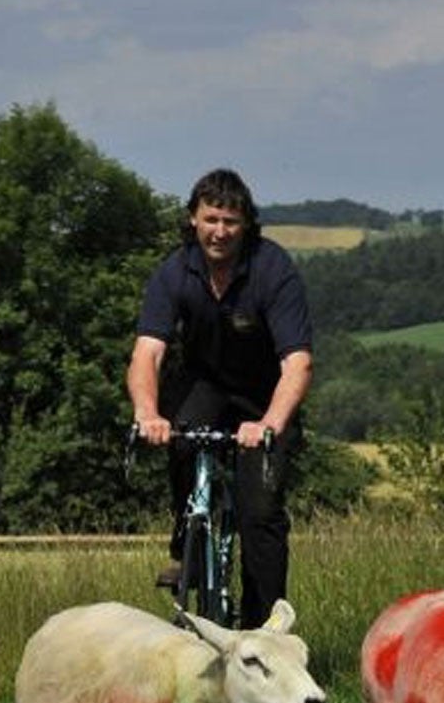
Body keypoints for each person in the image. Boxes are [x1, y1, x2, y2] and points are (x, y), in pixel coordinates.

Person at [128, 168, 313, 628]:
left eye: (231, 221)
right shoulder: (175, 270)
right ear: (193, 219)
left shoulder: (272, 269)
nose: (220, 231)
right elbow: (148, 353)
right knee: (179, 436)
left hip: (264, 395)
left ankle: (263, 636)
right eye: (211, 219)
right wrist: (147, 414)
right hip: (203, 383)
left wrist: (270, 424)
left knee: (261, 516)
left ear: (246, 224)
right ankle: (184, 540)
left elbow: (297, 363)